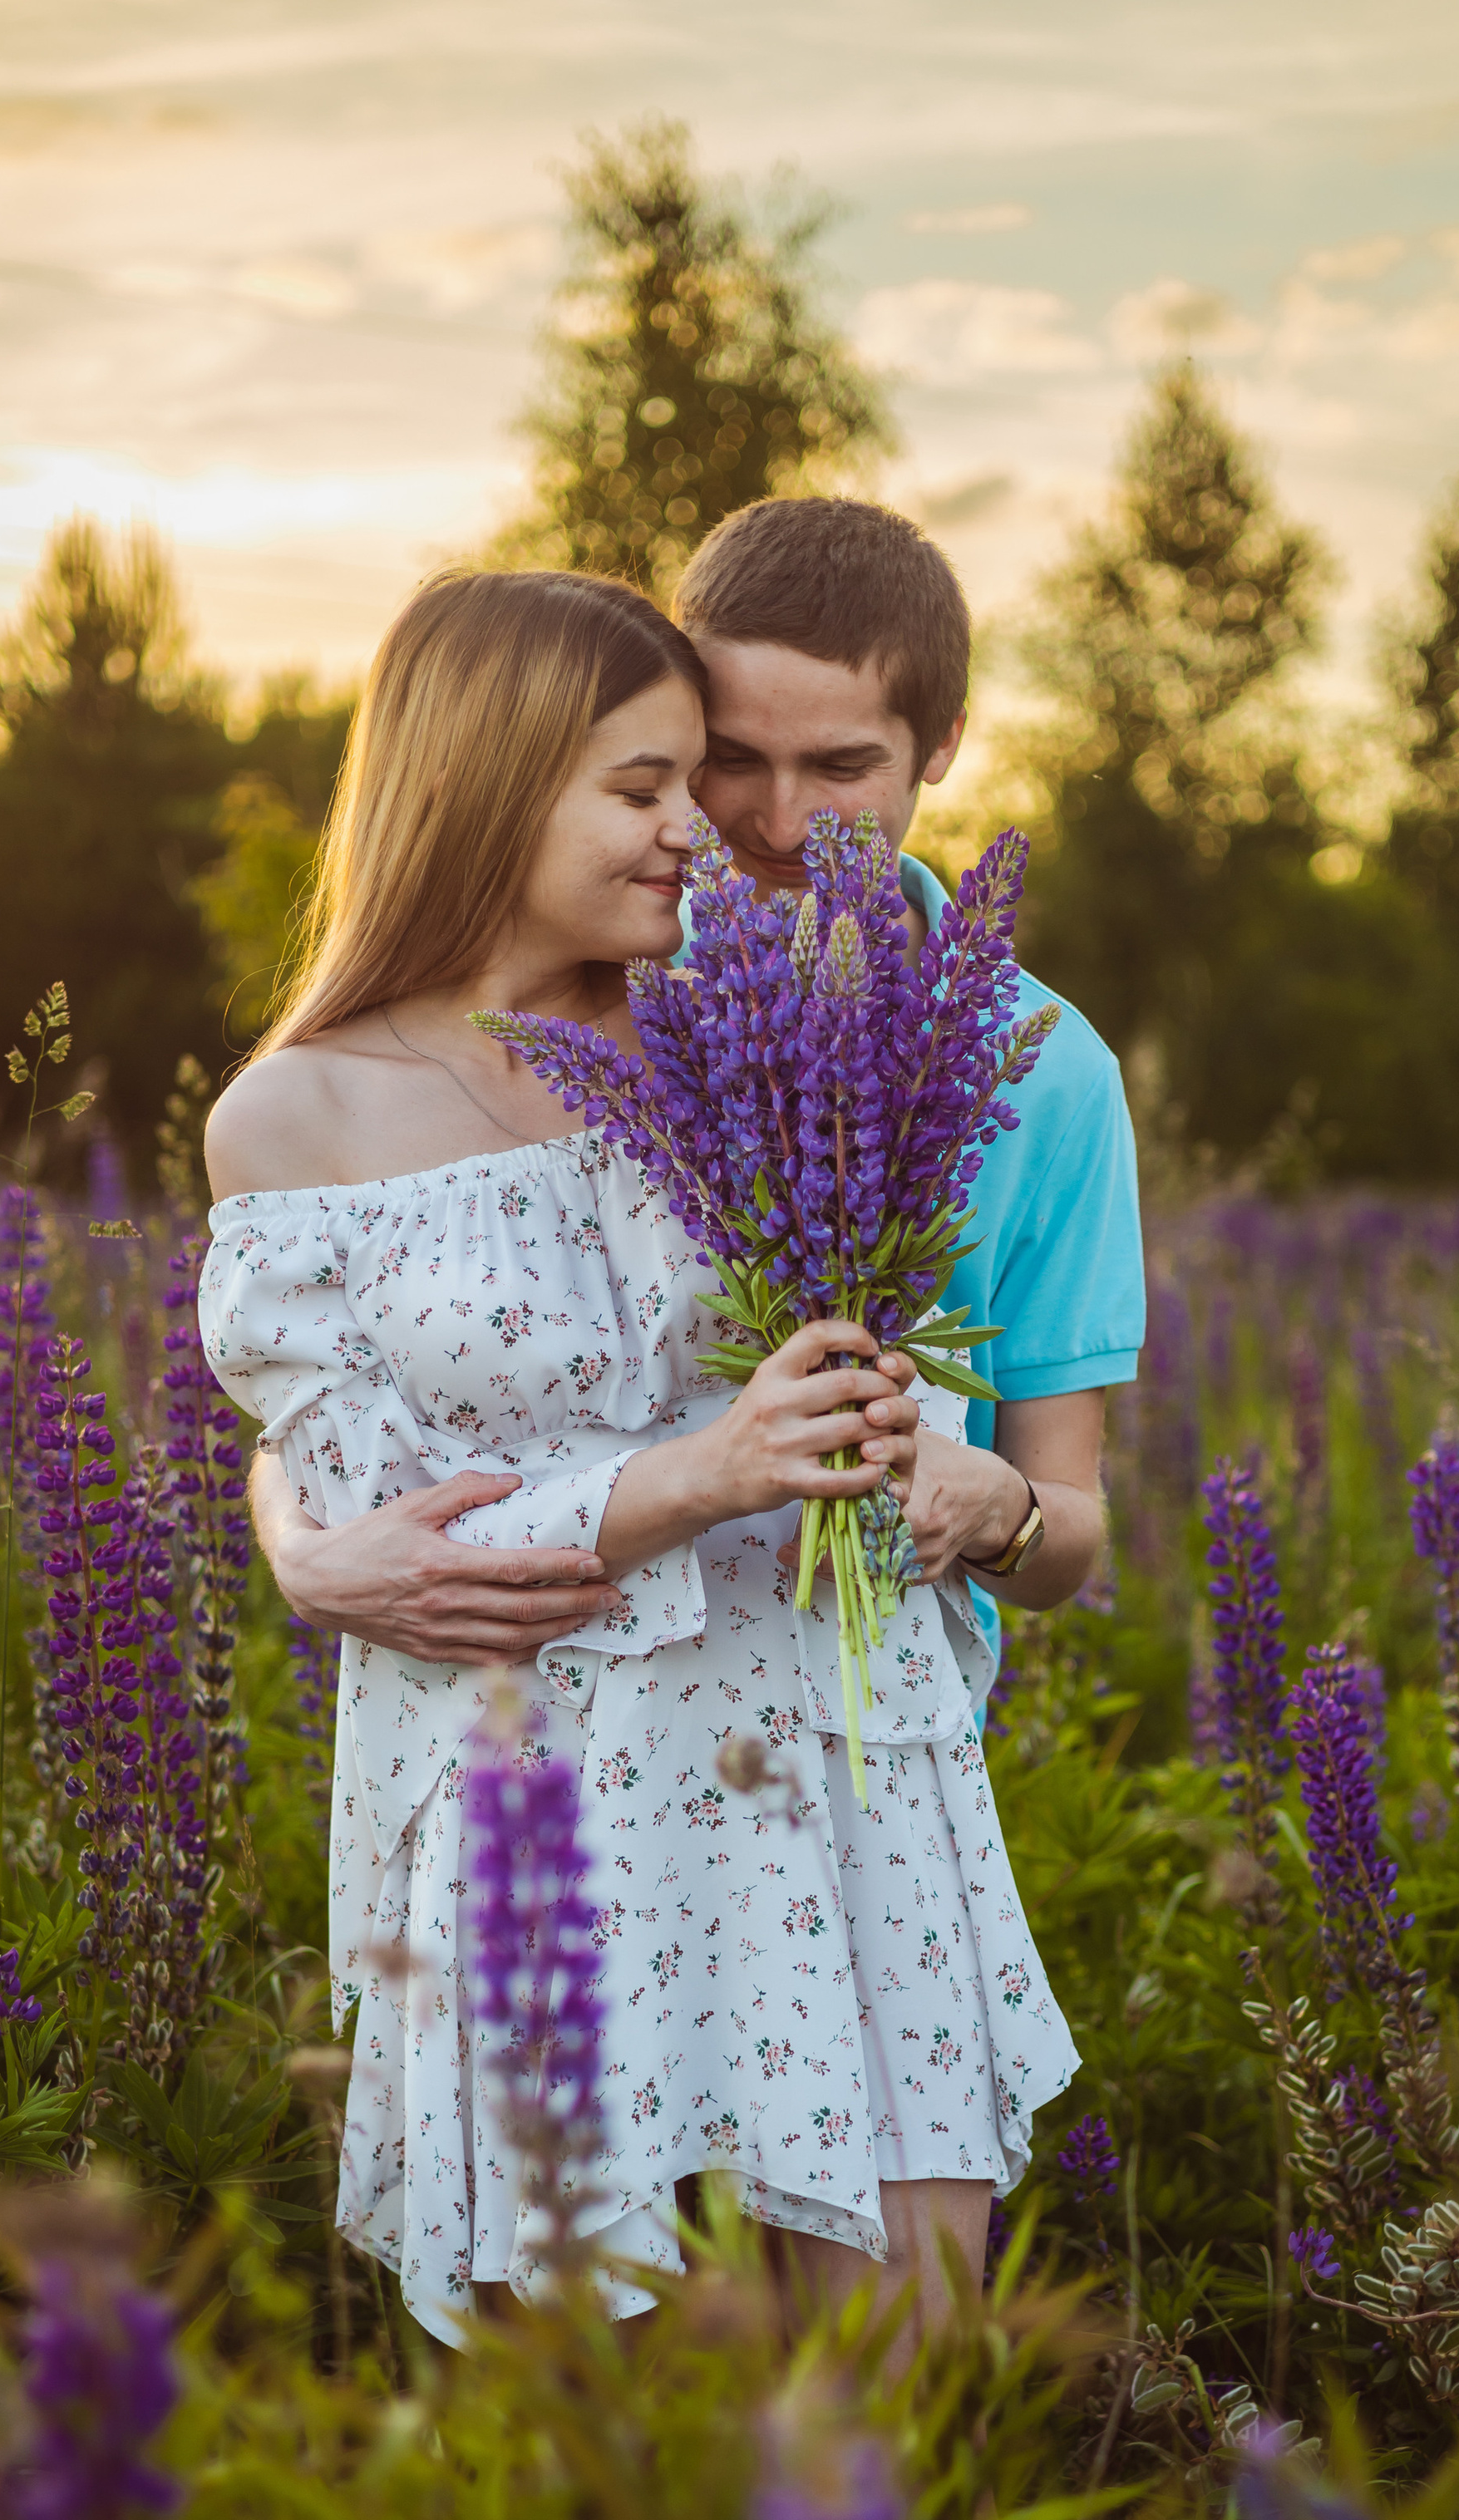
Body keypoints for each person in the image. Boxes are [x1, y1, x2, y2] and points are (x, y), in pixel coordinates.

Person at [200, 568, 1077, 2339]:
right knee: (593, 2400)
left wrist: (903, 1451)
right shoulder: (294, 1114)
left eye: (692, 779)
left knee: (901, 2363)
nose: (700, 829)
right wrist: (703, 1473)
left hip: (828, 1749)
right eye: (642, 787)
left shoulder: (744, 1027)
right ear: (486, 780)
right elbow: (391, 1531)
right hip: (539, 1795)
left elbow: (888, 1345)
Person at [247, 497, 1146, 1695]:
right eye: (730, 759)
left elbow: (1065, 1529)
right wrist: (299, 1543)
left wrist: (998, 1510)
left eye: (841, 766)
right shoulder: (614, 985)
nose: (777, 820)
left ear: (942, 743)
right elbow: (411, 1355)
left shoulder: (1049, 1066)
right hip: (563, 1718)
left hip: (877, 1721)